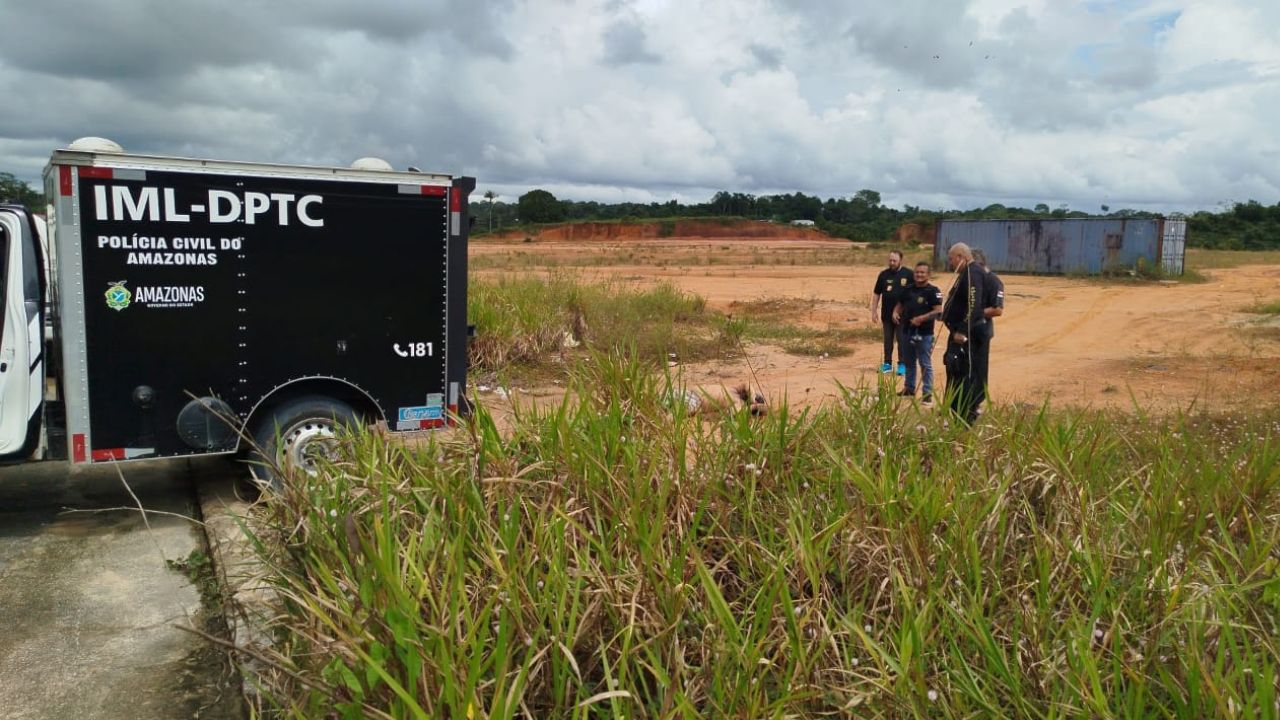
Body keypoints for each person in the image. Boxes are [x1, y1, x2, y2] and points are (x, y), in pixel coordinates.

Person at [940, 243, 989, 425]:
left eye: (951, 259)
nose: (950, 263)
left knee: (963, 375)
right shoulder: (965, 274)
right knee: (953, 370)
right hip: (956, 334)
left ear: (961, 256)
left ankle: (965, 415)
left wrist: (962, 330)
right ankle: (955, 412)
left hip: (964, 338)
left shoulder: (972, 273)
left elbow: (974, 305)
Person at [893, 262, 943, 405]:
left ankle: (927, 394)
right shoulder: (907, 289)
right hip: (907, 331)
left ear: (928, 275)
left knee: (925, 363)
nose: (919, 275)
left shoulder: (933, 291)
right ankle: (909, 389)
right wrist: (895, 312)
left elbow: (939, 311)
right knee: (909, 362)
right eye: (917, 272)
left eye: (922, 272)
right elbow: (900, 304)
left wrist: (922, 318)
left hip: (925, 334)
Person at [870, 250, 913, 375]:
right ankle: (887, 364)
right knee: (888, 340)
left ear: (901, 260)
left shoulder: (908, 274)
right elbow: (876, 294)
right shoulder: (883, 275)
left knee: (902, 340)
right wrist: (874, 311)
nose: (892, 263)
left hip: (903, 316)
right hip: (886, 315)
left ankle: (902, 365)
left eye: (894, 260)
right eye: (890, 260)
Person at [971, 248, 1005, 406]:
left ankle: (977, 402)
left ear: (980, 263)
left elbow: (997, 309)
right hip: (967, 330)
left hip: (982, 331)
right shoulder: (970, 280)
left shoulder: (993, 281)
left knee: (979, 367)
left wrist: (975, 313)